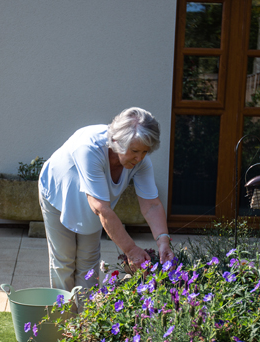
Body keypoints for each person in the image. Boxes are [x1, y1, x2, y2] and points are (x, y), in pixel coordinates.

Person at [38, 107, 174, 294]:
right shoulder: (89, 149)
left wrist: (163, 241)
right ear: (117, 142)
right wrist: (131, 249)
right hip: (58, 193)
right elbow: (102, 209)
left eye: (145, 152)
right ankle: (63, 319)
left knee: (88, 263)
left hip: (94, 202)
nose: (139, 158)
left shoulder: (140, 161)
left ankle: (85, 321)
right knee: (64, 261)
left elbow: (151, 204)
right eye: (135, 151)